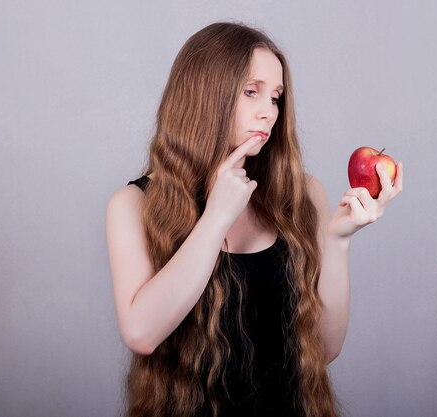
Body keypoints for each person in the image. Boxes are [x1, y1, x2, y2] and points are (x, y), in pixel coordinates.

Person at [105, 21, 403, 417]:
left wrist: (338, 239)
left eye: (276, 97)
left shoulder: (303, 195)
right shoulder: (132, 205)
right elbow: (141, 333)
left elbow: (326, 347)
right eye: (252, 92)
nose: (269, 112)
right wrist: (215, 219)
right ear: (204, 96)